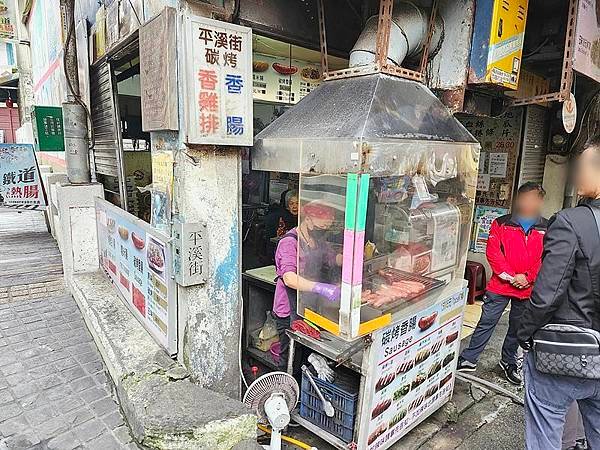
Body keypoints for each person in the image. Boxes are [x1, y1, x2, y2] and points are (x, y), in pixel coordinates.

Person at [518, 139, 600, 450]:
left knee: (545, 429)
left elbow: (547, 295)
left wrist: (524, 335)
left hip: (567, 351)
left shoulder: (570, 222)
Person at [457, 182, 547, 384]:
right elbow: (493, 252)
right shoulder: (501, 223)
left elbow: (545, 258)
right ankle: (469, 358)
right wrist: (510, 276)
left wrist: (527, 277)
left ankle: (508, 361)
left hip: (527, 289)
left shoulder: (547, 227)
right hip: (500, 285)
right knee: (486, 322)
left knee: (517, 328)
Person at [272, 201, 342, 370]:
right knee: (290, 357)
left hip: (309, 306)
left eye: (327, 227)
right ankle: (286, 391)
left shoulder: (317, 241)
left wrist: (351, 259)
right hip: (289, 308)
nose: (323, 230)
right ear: (308, 220)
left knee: (306, 355)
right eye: (321, 226)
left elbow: (332, 259)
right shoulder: (289, 242)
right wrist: (321, 288)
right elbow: (289, 278)